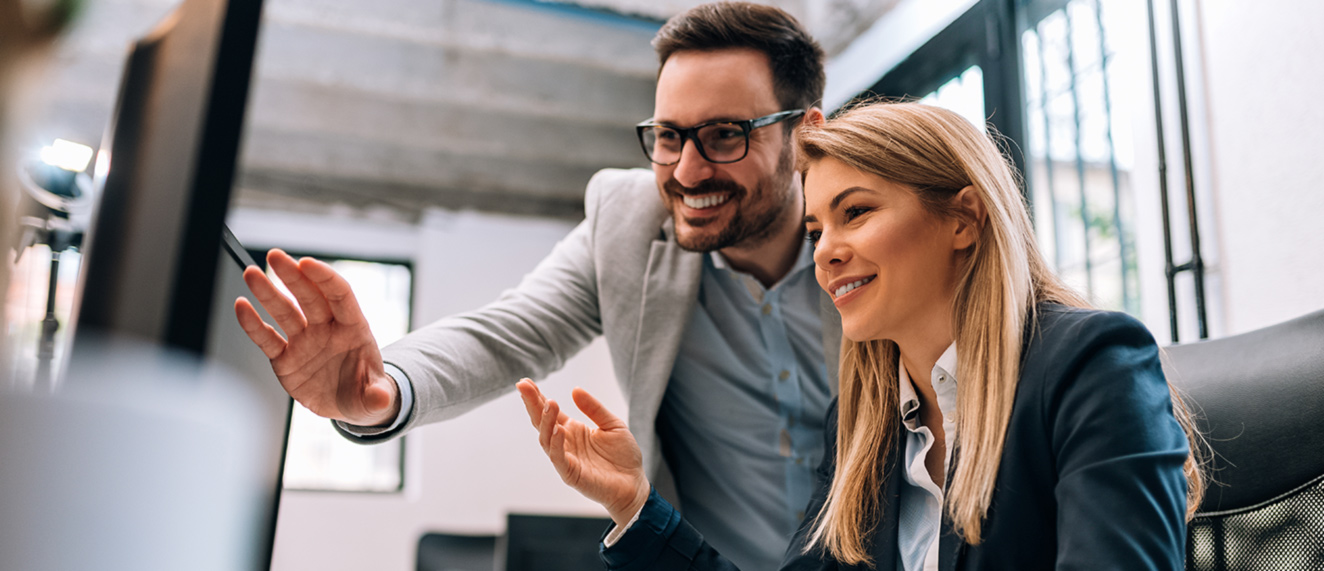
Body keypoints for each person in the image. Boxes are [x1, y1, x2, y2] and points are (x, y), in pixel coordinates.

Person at [234, 3, 835, 568]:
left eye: (726, 135)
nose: (685, 170)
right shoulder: (627, 220)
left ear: (805, 135)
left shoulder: (876, 241)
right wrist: (383, 386)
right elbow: (505, 335)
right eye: (669, 136)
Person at [515, 101, 1205, 570]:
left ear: (963, 219)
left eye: (856, 213)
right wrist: (635, 505)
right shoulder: (864, 422)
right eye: (817, 228)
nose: (826, 251)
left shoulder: (1091, 365)